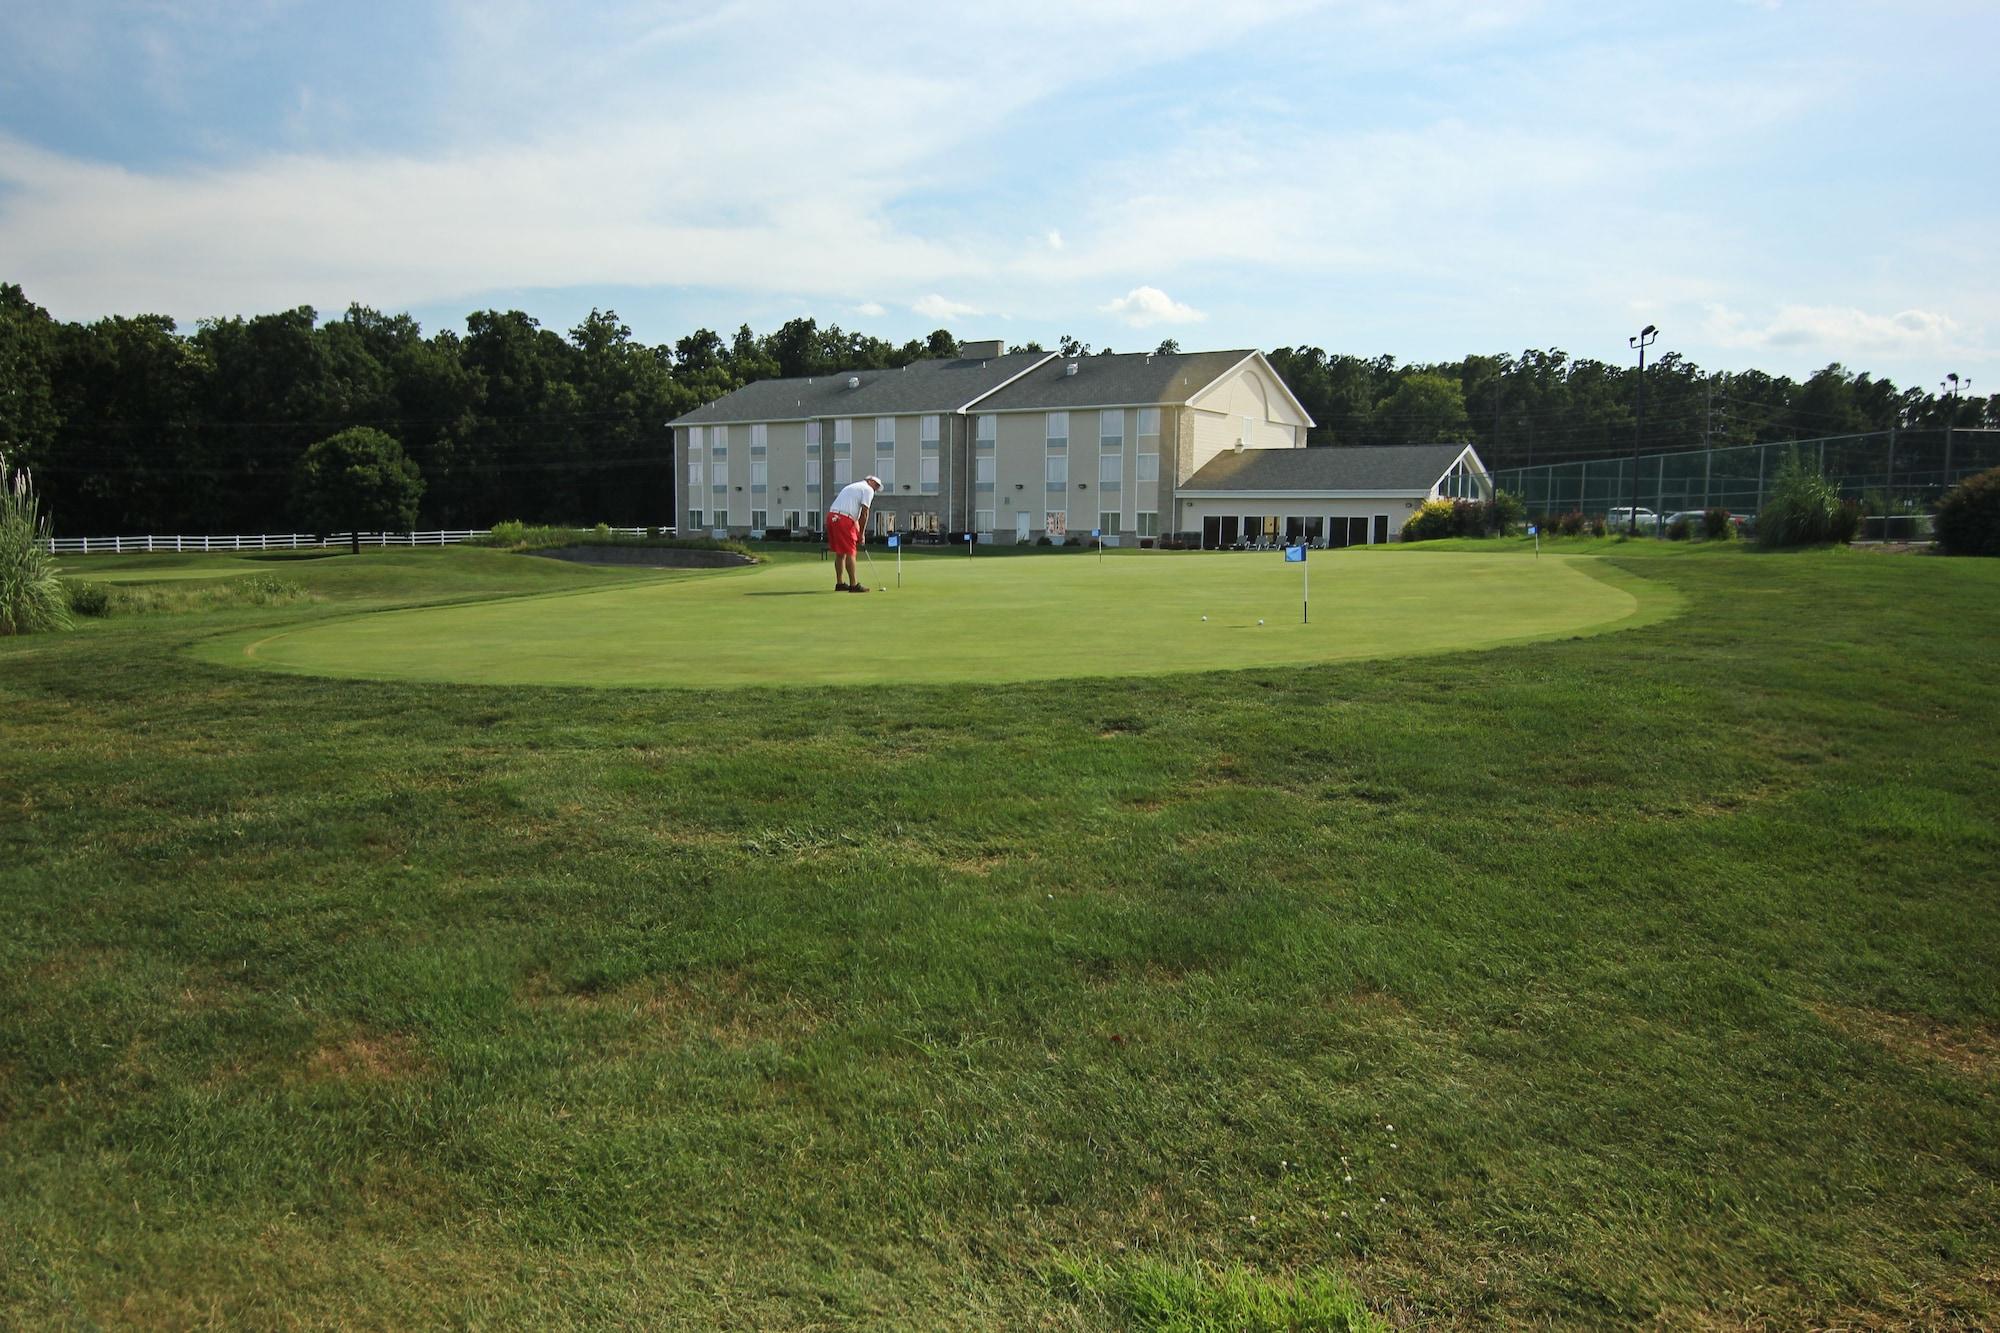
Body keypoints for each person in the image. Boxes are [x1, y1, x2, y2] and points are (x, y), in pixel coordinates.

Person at [827, 474, 882, 592]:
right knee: (850, 551)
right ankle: (853, 585)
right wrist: (861, 534)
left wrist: (858, 530)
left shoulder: (853, 487)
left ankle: (840, 583)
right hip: (843, 519)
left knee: (841, 553)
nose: (876, 489)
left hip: (832, 517)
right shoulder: (868, 489)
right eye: (876, 485)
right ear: (869, 481)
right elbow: (865, 513)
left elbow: (855, 514)